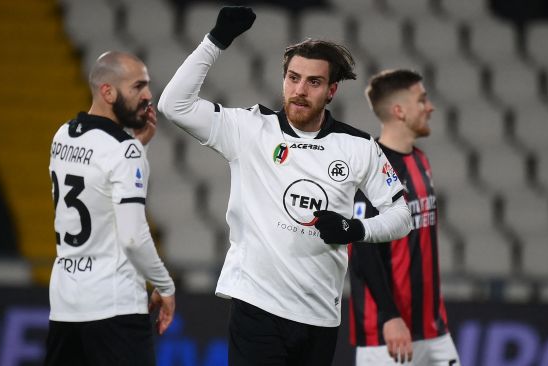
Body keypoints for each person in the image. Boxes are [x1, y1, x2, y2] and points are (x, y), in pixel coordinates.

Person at [157, 6, 411, 365]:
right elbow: (173, 105)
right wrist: (215, 41)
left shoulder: (359, 147)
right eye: (293, 78)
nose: (299, 90)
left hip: (320, 315)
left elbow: (402, 215)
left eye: (313, 82)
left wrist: (355, 229)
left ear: (331, 90)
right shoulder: (249, 129)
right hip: (257, 308)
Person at [45, 51, 176, 366]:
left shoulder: (63, 135)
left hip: (65, 306)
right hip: (114, 308)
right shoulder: (123, 151)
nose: (148, 96)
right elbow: (132, 236)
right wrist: (164, 284)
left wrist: (137, 148)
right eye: (137, 87)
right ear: (108, 92)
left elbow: (96, 184)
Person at [348, 69, 461, 365]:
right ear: (399, 111)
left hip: (433, 329)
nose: (430, 107)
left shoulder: (420, 159)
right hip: (387, 335)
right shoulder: (370, 168)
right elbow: (363, 252)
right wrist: (390, 316)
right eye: (422, 100)